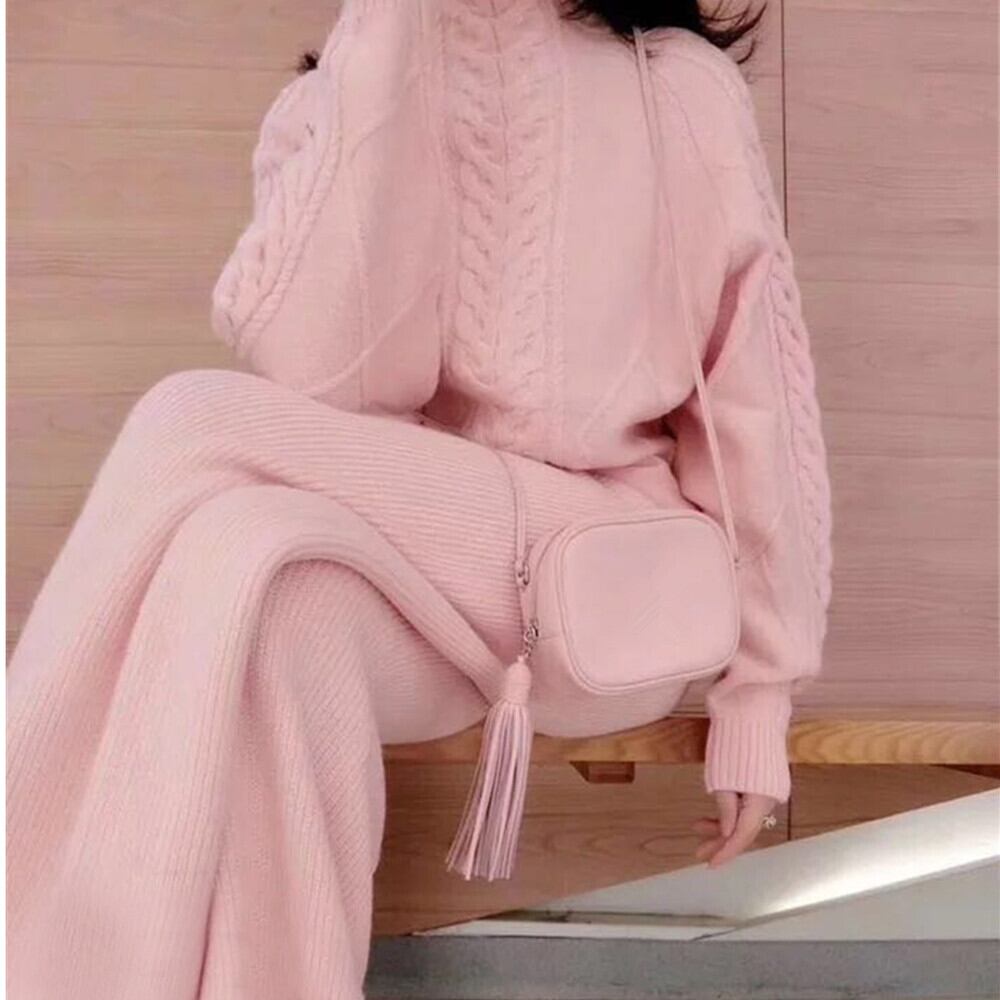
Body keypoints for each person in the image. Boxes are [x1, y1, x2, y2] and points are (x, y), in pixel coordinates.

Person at [6, 0, 833, 996]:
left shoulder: (683, 89)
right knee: (259, 576)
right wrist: (387, 43)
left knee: (192, 419)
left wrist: (760, 698)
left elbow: (757, 411)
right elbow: (320, 380)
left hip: (605, 583)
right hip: (433, 587)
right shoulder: (357, 74)